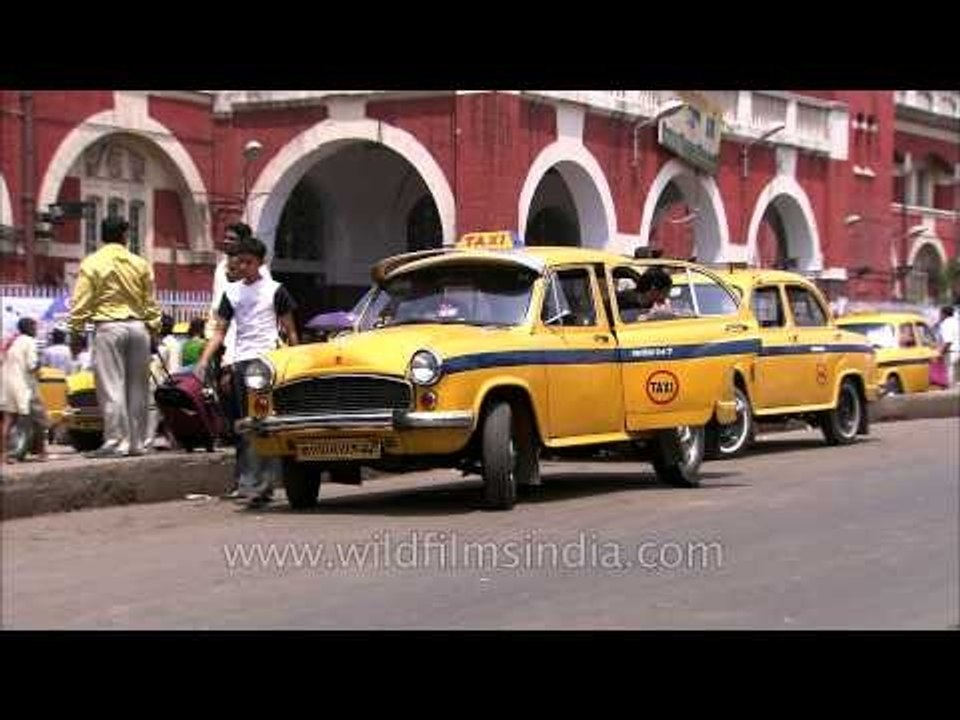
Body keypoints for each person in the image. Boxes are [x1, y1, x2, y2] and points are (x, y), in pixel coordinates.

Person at [196, 235, 298, 508]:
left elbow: (290, 330)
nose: (242, 267)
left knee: (264, 423)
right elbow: (220, 332)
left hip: (267, 364)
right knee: (246, 425)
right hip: (241, 364)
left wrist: (294, 360)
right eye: (239, 262)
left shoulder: (276, 290)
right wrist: (205, 360)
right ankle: (251, 483)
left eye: (248, 262)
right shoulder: (231, 293)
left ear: (260, 263)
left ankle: (263, 484)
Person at [69, 216, 161, 458]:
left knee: (112, 387)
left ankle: (115, 442)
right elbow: (150, 301)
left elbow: (81, 301)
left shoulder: (92, 263)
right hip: (138, 328)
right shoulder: (140, 263)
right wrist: (154, 329)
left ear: (102, 236)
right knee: (138, 388)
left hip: (109, 328)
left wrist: (76, 329)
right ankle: (136, 443)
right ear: (125, 236)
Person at [0, 318, 48, 464]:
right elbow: (31, 366)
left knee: (8, 421)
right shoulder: (29, 341)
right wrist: (40, 363)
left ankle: (3, 455)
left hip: (7, 386)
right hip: (25, 387)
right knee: (40, 420)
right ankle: (41, 453)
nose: (36, 330)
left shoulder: (11, 341)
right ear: (29, 328)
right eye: (35, 327)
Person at [935, 305, 959, 387]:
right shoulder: (956, 321)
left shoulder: (946, 324)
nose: (939, 316)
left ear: (944, 314)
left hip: (952, 353)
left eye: (940, 314)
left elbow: (948, 341)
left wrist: (940, 353)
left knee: (951, 380)